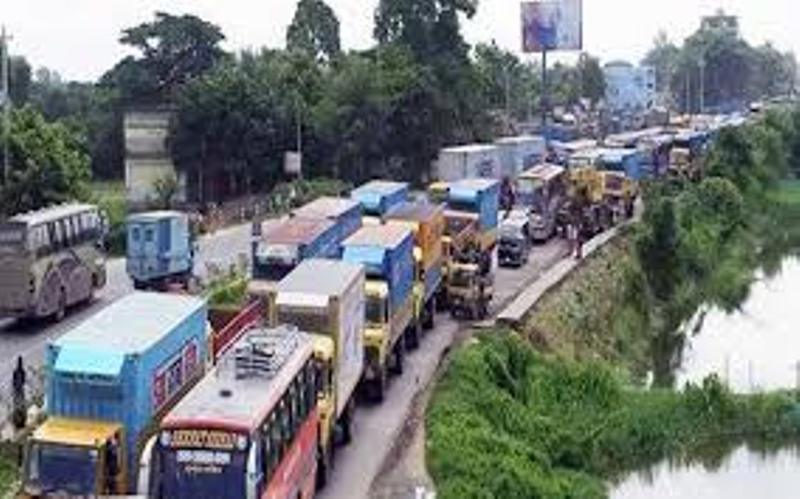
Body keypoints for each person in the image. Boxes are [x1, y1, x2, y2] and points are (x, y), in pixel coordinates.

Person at [12, 356, 26, 430]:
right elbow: (23, 380)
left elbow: (14, 381)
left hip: (17, 389)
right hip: (19, 389)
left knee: (17, 403)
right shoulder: (22, 371)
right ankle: (19, 422)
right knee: (20, 403)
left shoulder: (16, 371)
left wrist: (15, 385)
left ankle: (18, 422)